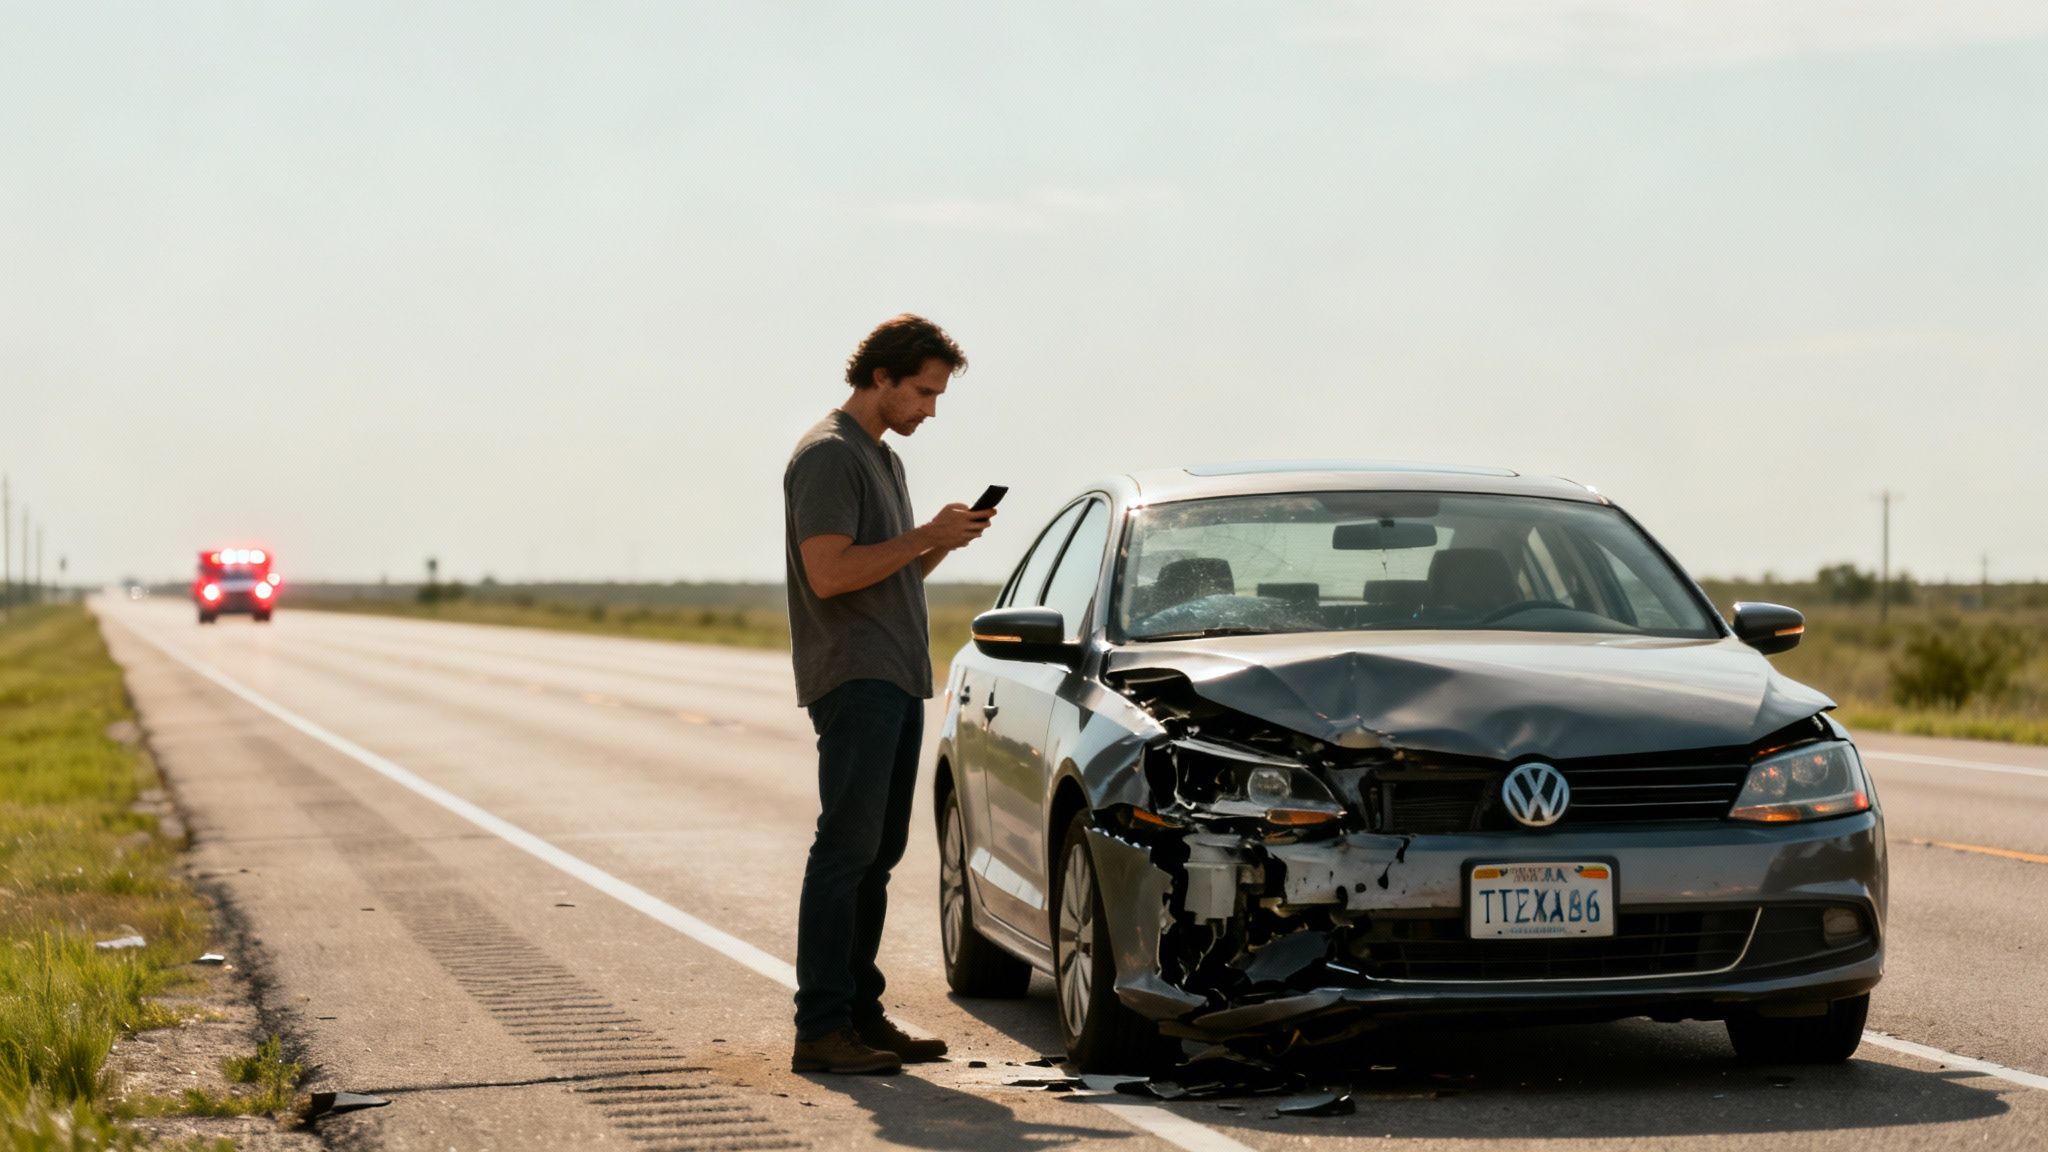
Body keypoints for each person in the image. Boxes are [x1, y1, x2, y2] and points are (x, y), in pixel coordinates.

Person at [783, 314, 993, 1075]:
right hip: (854, 674)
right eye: (924, 393)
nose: (930, 410)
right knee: (845, 851)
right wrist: (920, 536)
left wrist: (937, 541)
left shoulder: (882, 461)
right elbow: (830, 575)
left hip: (898, 673)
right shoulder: (829, 456)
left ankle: (861, 1016)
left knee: (878, 854)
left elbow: (886, 574)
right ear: (881, 377)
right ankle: (821, 1029)